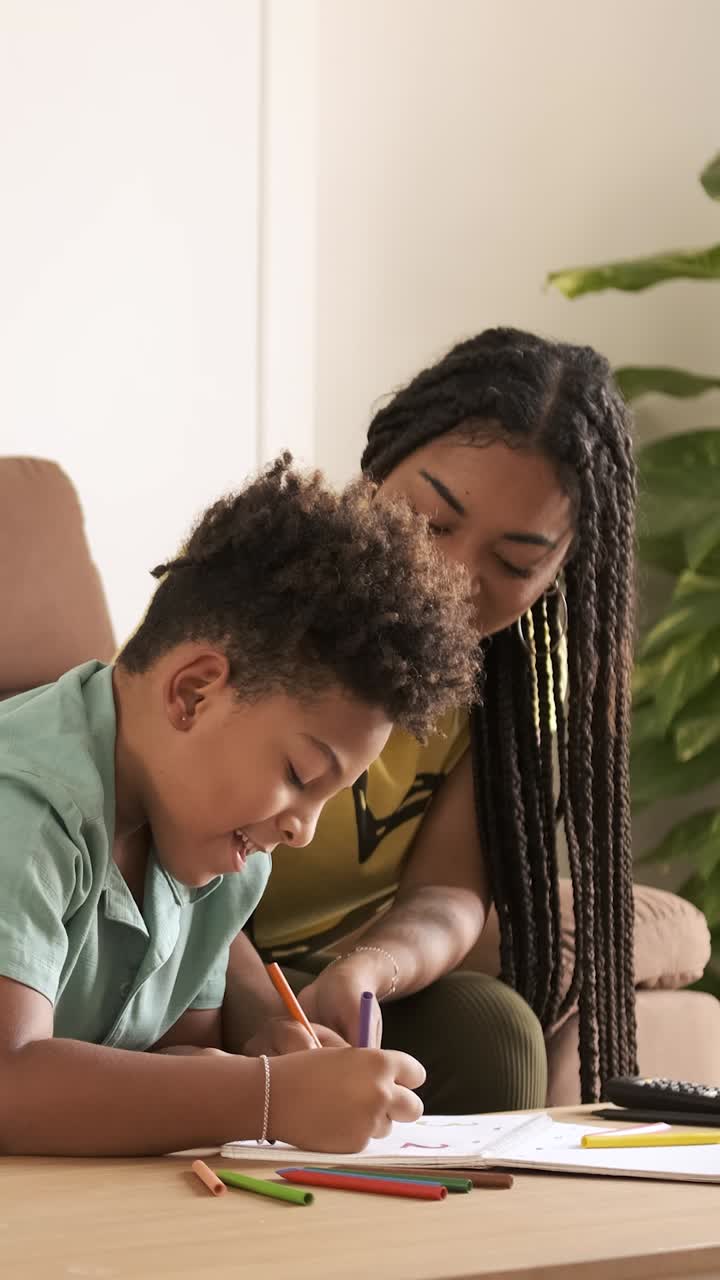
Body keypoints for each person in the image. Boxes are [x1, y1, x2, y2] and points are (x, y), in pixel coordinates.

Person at [0, 455, 480, 1156]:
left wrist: (265, 1054)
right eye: (299, 773)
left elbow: (170, 1064)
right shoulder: (26, 804)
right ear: (193, 694)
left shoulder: (218, 853)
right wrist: (268, 1098)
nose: (303, 829)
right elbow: (8, 1085)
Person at [252, 328, 638, 1107]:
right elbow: (163, 858)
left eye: (515, 562)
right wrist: (259, 1012)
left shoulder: (506, 688)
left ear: (560, 572)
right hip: (176, 955)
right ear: (379, 468)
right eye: (433, 522)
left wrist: (366, 974)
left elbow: (447, 894)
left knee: (491, 1032)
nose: (453, 576)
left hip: (324, 979)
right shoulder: (246, 607)